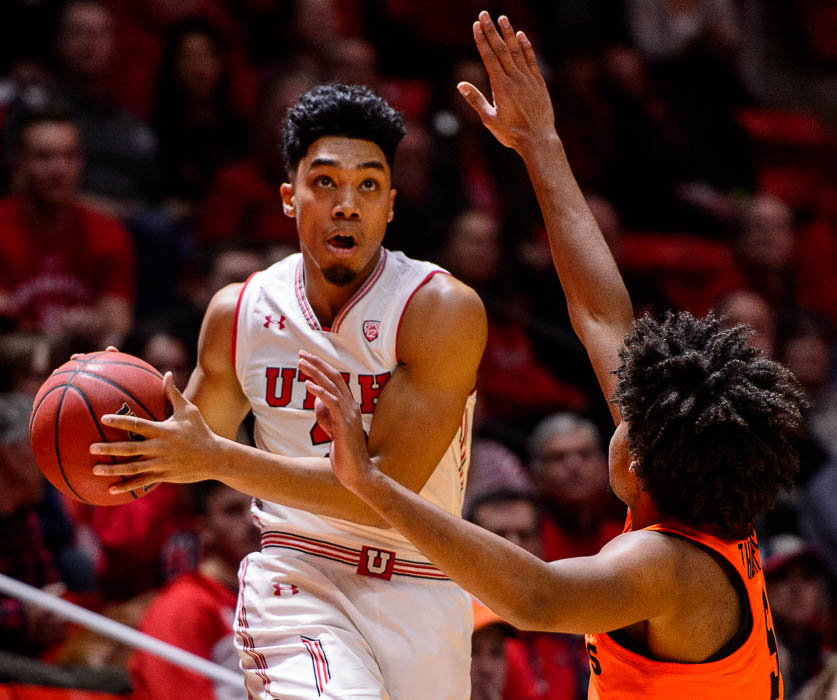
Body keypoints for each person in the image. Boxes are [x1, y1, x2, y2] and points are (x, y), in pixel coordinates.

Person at [299, 12, 805, 700]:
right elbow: (600, 313)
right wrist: (539, 144)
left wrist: (373, 484)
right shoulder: (708, 492)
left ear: (640, 459)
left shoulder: (668, 565)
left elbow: (535, 599)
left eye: (629, 422)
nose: (615, 418)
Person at [91, 82, 487, 698]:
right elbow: (186, 452)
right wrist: (115, 413)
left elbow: (379, 491)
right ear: (288, 197)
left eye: (369, 186)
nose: (347, 204)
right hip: (299, 577)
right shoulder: (240, 313)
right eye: (325, 182)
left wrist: (215, 458)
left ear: (391, 206)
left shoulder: (439, 310)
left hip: (423, 580)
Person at [0, 107, 135, 349]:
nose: (59, 169)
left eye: (69, 156)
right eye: (45, 157)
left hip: (81, 367)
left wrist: (95, 322)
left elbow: (119, 323)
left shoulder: (107, 234)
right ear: (19, 162)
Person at [131, 481, 260, 699]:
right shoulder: (183, 605)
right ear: (204, 529)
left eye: (258, 508)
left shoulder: (272, 595)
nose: (252, 521)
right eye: (233, 511)